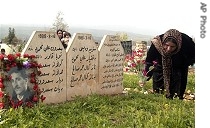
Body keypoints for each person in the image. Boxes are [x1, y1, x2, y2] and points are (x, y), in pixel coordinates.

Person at [144, 29, 195, 100]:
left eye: (172, 47)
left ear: (178, 45)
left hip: (179, 69)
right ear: (163, 42)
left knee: (176, 94)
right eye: (166, 45)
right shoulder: (157, 43)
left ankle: (176, 100)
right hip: (160, 67)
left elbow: (193, 56)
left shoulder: (186, 43)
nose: (168, 49)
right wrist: (145, 77)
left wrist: (182, 64)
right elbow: (149, 61)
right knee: (158, 93)